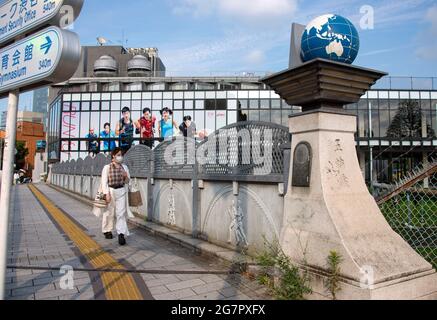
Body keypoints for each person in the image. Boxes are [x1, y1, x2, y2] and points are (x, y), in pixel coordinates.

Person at [101, 147, 131, 246]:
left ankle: (121, 234)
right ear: (113, 156)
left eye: (121, 155)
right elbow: (104, 181)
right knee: (109, 212)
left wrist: (125, 176)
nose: (120, 157)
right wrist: (106, 194)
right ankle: (107, 230)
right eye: (118, 155)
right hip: (110, 190)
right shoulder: (107, 167)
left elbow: (127, 181)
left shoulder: (124, 167)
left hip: (121, 190)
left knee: (121, 213)